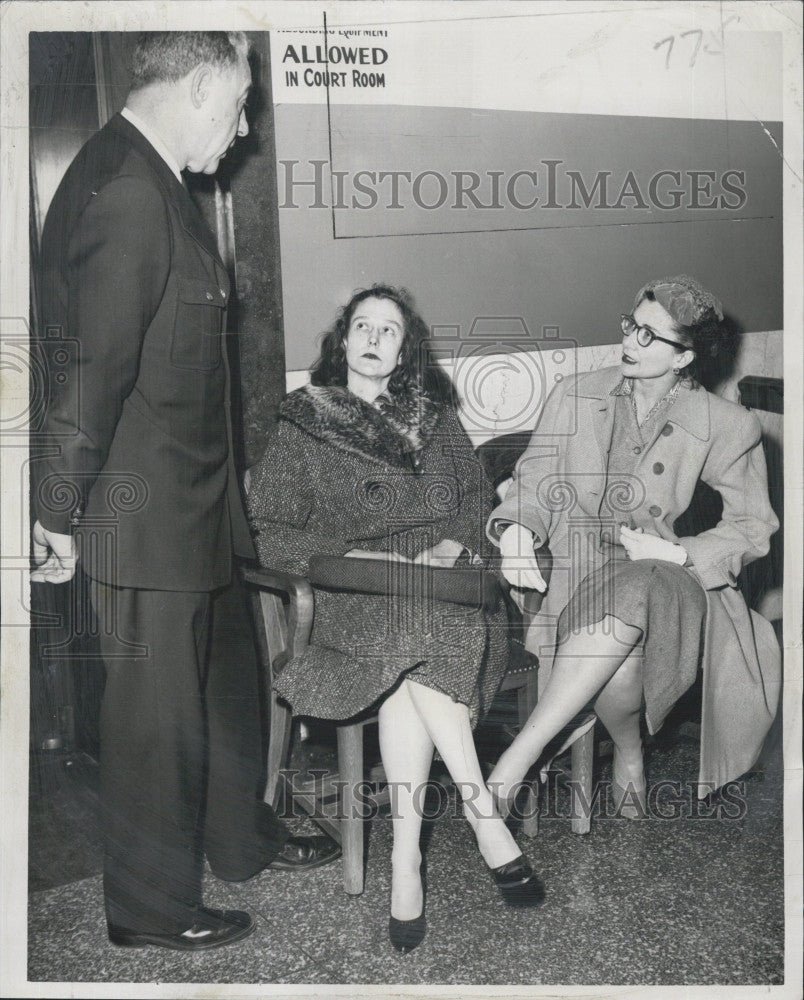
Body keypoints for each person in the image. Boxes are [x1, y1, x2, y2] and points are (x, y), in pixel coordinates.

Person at [30, 31, 338, 953]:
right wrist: (55, 513)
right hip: (143, 515)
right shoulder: (130, 189)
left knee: (223, 686)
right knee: (155, 720)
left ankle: (239, 841)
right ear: (202, 84)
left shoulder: (153, 177)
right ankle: (148, 909)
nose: (243, 129)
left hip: (195, 506)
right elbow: (90, 380)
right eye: (239, 104)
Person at [247, 284, 545, 954]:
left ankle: (406, 859)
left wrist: (455, 541)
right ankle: (480, 810)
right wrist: (342, 553)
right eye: (363, 326)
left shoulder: (434, 415)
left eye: (390, 329)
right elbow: (269, 529)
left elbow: (474, 494)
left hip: (446, 587)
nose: (375, 338)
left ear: (404, 346)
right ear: (342, 340)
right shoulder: (304, 422)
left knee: (432, 640)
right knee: (424, 637)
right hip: (353, 596)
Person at [485, 275, 780, 817]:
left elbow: (754, 525)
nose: (629, 342)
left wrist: (681, 554)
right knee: (619, 668)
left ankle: (514, 764)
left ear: (685, 357)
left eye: (650, 337)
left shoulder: (727, 425)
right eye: (631, 325)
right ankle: (629, 750)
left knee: (640, 581)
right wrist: (519, 529)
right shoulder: (575, 393)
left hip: (670, 579)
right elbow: (534, 480)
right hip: (579, 576)